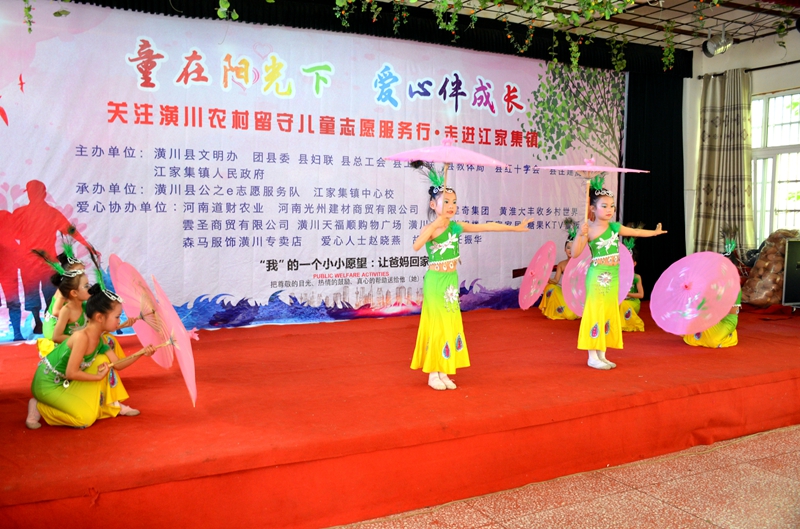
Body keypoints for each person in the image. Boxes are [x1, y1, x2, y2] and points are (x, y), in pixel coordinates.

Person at [409, 162, 533, 390]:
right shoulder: (432, 229)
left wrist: (515, 228)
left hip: (450, 281)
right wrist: (435, 224)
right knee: (437, 324)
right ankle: (433, 373)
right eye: (446, 201)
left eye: (454, 202)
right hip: (435, 282)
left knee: (450, 323)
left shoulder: (456, 227)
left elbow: (487, 226)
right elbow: (417, 245)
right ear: (433, 205)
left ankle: (444, 370)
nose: (451, 206)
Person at [26, 282, 156, 429]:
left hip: (66, 382)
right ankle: (39, 406)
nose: (119, 321)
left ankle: (108, 404)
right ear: (100, 317)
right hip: (48, 384)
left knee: (102, 361)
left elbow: (118, 364)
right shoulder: (82, 337)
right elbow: (71, 372)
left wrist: (141, 353)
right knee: (85, 419)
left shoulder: (99, 339)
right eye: (117, 317)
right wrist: (97, 377)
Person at [570, 177, 666, 370]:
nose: (609, 210)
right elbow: (575, 253)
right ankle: (592, 356)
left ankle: (602, 354)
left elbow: (635, 232)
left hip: (613, 276)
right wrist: (580, 234)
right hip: (598, 276)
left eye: (612, 206)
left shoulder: (614, 227)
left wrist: (654, 233)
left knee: (607, 312)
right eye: (604, 206)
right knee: (595, 313)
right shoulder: (589, 230)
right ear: (593, 209)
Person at [540, 219, 579, 321]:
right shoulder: (561, 264)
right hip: (564, 292)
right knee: (550, 287)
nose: (570, 250)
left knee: (571, 316)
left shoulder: (581, 264)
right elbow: (556, 280)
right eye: (568, 248)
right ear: (564, 249)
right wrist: (548, 279)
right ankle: (552, 311)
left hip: (577, 295)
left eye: (573, 248)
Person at [620, 244, 645, 332]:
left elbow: (641, 295)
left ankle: (625, 325)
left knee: (623, 304)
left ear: (634, 263)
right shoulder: (619, 276)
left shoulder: (637, 277)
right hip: (621, 302)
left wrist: (628, 294)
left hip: (633, 302)